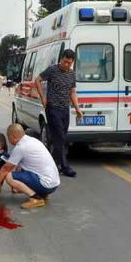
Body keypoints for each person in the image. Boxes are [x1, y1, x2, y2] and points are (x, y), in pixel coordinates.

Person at [34, 49, 83, 178]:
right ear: (61, 59)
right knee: (60, 137)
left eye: (70, 63)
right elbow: (37, 80)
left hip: (65, 109)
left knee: (60, 138)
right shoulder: (52, 70)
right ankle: (64, 166)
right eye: (65, 62)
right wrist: (43, 97)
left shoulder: (72, 74)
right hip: (53, 108)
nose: (67, 65)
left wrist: (77, 108)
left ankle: (52, 165)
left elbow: (72, 92)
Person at [0, 124, 60, 209]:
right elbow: (20, 168)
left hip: (46, 184)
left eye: (8, 137)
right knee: (19, 172)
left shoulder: (20, 147)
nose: (8, 139)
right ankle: (43, 194)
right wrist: (16, 187)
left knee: (9, 176)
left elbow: (5, 169)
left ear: (13, 136)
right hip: (53, 183)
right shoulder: (33, 141)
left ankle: (36, 198)